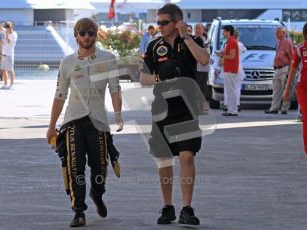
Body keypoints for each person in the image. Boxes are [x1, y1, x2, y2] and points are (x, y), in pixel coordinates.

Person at [46, 18, 123, 227]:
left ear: (96, 34)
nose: (86, 36)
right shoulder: (67, 62)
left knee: (100, 167)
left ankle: (97, 194)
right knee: (74, 167)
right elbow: (59, 95)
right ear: (76, 35)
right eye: (82, 33)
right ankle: (78, 210)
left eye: (90, 33)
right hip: (73, 121)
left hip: (98, 122)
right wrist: (52, 125)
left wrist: (118, 114)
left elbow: (115, 89)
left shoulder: (108, 59)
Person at [140, 3, 209, 227]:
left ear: (177, 22)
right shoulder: (154, 45)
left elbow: (204, 60)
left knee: (187, 156)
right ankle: (168, 206)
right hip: (161, 108)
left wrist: (185, 36)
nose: (159, 26)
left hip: (187, 107)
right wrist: (159, 78)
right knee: (164, 159)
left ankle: (187, 209)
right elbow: (142, 78)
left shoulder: (191, 40)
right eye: (158, 22)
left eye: (163, 22)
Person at [283, 21, 307, 161]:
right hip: (304, 89)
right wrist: (287, 89)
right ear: (305, 35)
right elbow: (293, 69)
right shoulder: (300, 49)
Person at [265, 26, 293, 114]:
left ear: (283, 33)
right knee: (276, 89)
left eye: (278, 32)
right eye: (276, 32)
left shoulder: (288, 43)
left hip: (285, 68)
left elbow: (292, 57)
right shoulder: (278, 42)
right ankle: (274, 108)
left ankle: (284, 108)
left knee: (286, 89)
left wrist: (290, 71)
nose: (276, 34)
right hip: (277, 69)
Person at [217, 25, 240, 116]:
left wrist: (222, 56)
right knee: (231, 90)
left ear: (228, 32)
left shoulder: (232, 42)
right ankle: (232, 110)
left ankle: (232, 110)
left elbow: (232, 56)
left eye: (224, 32)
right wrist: (222, 54)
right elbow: (230, 54)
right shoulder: (229, 42)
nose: (223, 33)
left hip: (230, 69)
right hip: (229, 68)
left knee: (231, 90)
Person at [194, 23, 210, 112]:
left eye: (199, 28)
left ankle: (201, 107)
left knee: (203, 88)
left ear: (203, 30)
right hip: (196, 68)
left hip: (205, 68)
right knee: (196, 88)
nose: (198, 30)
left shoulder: (205, 41)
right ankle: (196, 108)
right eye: (196, 28)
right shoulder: (192, 41)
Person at [0, 22, 17, 89]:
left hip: (9, 55)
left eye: (8, 27)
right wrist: (4, 23)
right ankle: (5, 84)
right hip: (4, 54)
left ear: (12, 27)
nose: (7, 28)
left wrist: (6, 33)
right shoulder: (5, 30)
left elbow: (9, 41)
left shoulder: (14, 34)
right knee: (3, 70)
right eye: (7, 27)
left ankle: (12, 84)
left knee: (10, 70)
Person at [234, 30, 247, 111]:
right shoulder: (240, 44)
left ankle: (229, 104)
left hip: (230, 68)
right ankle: (237, 104)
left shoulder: (228, 44)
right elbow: (245, 50)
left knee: (230, 88)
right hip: (238, 68)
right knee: (237, 87)